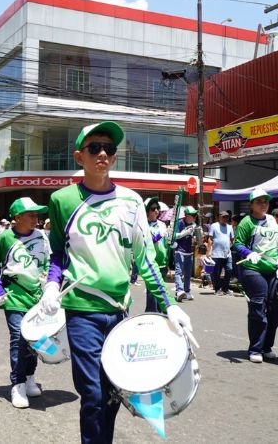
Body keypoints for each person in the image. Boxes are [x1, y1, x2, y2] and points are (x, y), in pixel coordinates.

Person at [39, 121, 192, 444]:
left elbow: (146, 259)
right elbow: (58, 255)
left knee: (112, 394)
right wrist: (52, 285)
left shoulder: (132, 201)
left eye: (109, 149)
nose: (103, 154)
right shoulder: (62, 200)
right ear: (79, 157)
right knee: (92, 394)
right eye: (94, 148)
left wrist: (171, 304)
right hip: (81, 310)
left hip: (119, 312)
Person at [0, 197, 51, 408]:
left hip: (37, 297)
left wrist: (49, 285)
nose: (36, 218)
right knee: (18, 338)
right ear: (17, 217)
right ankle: (18, 384)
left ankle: (31, 376)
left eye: (37, 214)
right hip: (14, 296)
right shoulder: (5, 238)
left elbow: (49, 263)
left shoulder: (42, 236)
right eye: (31, 214)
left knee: (36, 340)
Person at [234, 188, 278, 363]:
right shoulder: (246, 222)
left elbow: (274, 244)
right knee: (259, 305)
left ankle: (267, 347)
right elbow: (237, 244)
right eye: (259, 201)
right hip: (252, 269)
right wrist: (247, 253)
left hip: (274, 268)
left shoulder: (273, 220)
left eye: (265, 201)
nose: (263, 204)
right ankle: (255, 349)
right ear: (251, 204)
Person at [144, 197, 169, 312]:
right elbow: (151, 240)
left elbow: (166, 241)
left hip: (163, 263)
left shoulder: (162, 225)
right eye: (153, 209)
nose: (156, 211)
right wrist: (159, 235)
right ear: (148, 211)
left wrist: (172, 241)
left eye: (157, 208)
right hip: (150, 263)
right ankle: (150, 316)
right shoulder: (144, 225)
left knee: (161, 292)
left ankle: (161, 317)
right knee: (152, 294)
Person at [173, 206, 198, 301]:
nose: (194, 217)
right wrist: (185, 233)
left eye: (194, 215)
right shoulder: (179, 223)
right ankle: (179, 290)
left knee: (188, 273)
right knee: (178, 271)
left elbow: (195, 238)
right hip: (179, 250)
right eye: (192, 215)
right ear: (187, 216)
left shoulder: (194, 225)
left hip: (189, 251)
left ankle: (187, 291)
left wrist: (196, 239)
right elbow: (174, 235)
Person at [207, 211, 234, 296]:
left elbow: (232, 239)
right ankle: (217, 289)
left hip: (227, 253)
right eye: (223, 217)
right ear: (219, 217)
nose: (225, 218)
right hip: (216, 253)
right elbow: (210, 239)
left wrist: (229, 246)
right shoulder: (214, 226)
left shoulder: (230, 227)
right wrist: (208, 250)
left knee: (229, 270)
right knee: (216, 272)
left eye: (227, 217)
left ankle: (225, 289)